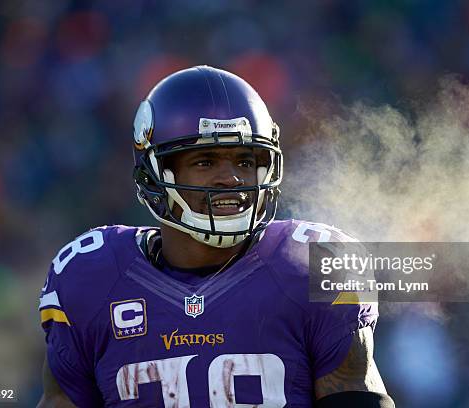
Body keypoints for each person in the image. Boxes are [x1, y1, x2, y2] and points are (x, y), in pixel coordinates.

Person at [37, 66, 394, 407]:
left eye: (245, 161)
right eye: (205, 162)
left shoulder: (310, 265)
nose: (232, 178)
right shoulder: (90, 278)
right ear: (155, 174)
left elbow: (356, 397)